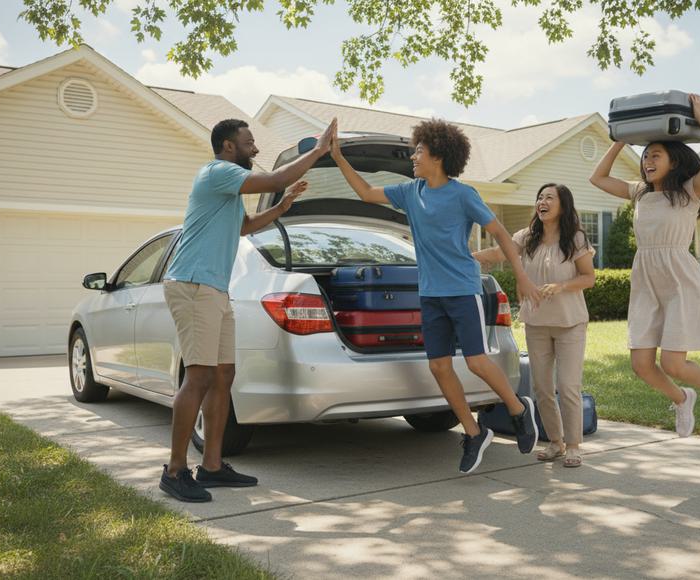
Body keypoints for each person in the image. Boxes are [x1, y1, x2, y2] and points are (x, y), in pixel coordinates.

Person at [330, 118, 542, 474]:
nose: (413, 156)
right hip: (430, 294)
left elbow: (503, 235)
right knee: (439, 366)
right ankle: (474, 433)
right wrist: (337, 156)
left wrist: (521, 276)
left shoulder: (463, 195)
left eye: (419, 151)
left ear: (438, 156)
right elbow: (366, 193)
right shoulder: (410, 193)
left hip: (462, 289)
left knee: (475, 360)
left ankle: (520, 410)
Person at [159, 117, 337, 502]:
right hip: (192, 282)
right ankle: (174, 470)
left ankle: (211, 466)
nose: (255, 149)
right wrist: (318, 152)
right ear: (228, 146)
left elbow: (246, 227)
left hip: (215, 287)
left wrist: (285, 205)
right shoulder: (216, 172)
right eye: (250, 142)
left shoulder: (229, 188)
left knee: (224, 374)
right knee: (200, 375)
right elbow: (273, 180)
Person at [589, 94, 700, 437]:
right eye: (645, 156)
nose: (648, 161)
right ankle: (682, 399)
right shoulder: (638, 192)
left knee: (673, 363)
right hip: (646, 280)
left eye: (656, 155)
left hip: (679, 280)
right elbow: (597, 178)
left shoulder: (690, 191)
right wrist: (621, 140)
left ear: (675, 161)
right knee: (641, 364)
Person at [474, 183, 595, 467]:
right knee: (541, 388)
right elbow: (500, 253)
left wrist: (562, 286)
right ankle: (555, 442)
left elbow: (589, 277)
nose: (542, 202)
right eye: (539, 197)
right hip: (537, 322)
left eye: (549, 198)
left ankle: (574, 444)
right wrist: (471, 257)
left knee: (568, 386)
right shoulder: (526, 237)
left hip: (570, 323)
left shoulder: (575, 238)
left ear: (563, 205)